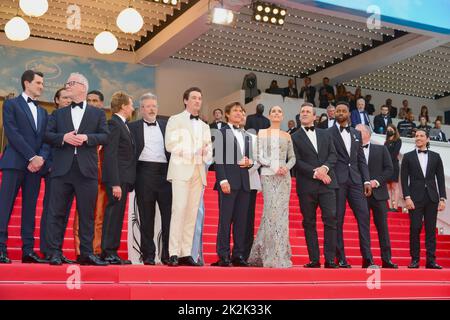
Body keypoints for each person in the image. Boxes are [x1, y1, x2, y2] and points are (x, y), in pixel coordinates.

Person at [44, 72, 109, 266]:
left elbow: (105, 136)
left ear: (83, 87)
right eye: (67, 84)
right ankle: (55, 252)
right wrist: (63, 138)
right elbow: (47, 135)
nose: (67, 86)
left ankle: (86, 254)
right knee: (56, 213)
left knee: (87, 214)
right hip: (62, 170)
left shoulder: (98, 114)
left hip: (86, 171)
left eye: (71, 83)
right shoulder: (58, 113)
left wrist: (88, 138)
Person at [0, 70, 49, 264]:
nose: (41, 87)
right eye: (38, 83)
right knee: (5, 206)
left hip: (35, 168)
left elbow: (46, 138)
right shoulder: (11, 104)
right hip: (14, 163)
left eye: (42, 83)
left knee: (30, 209)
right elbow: (12, 132)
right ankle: (0, 248)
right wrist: (32, 156)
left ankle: (28, 250)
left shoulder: (44, 111)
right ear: (26, 83)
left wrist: (41, 158)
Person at [165, 87, 212, 266]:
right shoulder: (175, 120)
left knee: (192, 213)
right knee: (179, 210)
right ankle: (173, 252)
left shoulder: (205, 126)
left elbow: (209, 151)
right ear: (185, 100)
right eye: (194, 98)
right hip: (180, 170)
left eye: (200, 98)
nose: (197, 101)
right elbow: (170, 145)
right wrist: (194, 152)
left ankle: (186, 252)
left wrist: (205, 155)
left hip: (199, 172)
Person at [328, 101, 375, 268]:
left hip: (356, 182)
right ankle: (340, 258)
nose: (341, 113)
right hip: (337, 182)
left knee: (364, 217)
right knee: (338, 220)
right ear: (335, 114)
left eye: (344, 111)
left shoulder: (356, 133)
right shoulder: (328, 133)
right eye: (338, 110)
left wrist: (367, 180)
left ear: (349, 114)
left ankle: (367, 258)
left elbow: (361, 160)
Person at [248, 105, 296, 268]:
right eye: (273, 111)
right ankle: (266, 253)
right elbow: (258, 155)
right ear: (269, 115)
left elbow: (293, 158)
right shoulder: (261, 133)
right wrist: (274, 167)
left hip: (284, 177)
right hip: (268, 175)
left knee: (282, 216)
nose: (276, 113)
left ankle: (281, 254)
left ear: (282, 116)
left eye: (279, 111)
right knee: (270, 213)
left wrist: (286, 168)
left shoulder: (287, 135)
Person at [291, 103, 338, 268]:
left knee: (331, 219)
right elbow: (296, 160)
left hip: (328, 183)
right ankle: (314, 259)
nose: (304, 113)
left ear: (314, 116)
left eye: (307, 111)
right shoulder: (294, 137)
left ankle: (330, 259)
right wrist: (316, 173)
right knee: (309, 222)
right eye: (302, 111)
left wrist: (324, 169)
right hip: (307, 185)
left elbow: (333, 154)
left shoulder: (326, 134)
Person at [128, 93, 172, 265]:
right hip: (143, 173)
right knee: (146, 218)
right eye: (148, 106)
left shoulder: (167, 125)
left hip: (166, 175)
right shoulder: (132, 127)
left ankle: (168, 255)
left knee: (168, 217)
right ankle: (149, 255)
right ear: (141, 109)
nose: (152, 109)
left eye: (154, 106)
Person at [212, 102, 254, 267]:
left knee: (241, 222)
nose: (239, 113)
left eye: (241, 111)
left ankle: (239, 255)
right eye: (235, 110)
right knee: (225, 221)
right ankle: (223, 256)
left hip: (244, 184)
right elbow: (218, 158)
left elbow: (249, 160)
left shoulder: (247, 135)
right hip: (228, 182)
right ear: (227, 114)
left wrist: (250, 162)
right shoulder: (220, 132)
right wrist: (222, 180)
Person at [401, 129, 446, 269]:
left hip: (432, 197)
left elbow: (440, 178)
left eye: (421, 136)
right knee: (415, 228)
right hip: (414, 198)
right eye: (416, 136)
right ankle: (415, 260)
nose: (418, 138)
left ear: (427, 139)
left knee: (431, 230)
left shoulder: (436, 156)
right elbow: (403, 179)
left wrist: (442, 198)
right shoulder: (408, 157)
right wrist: (407, 197)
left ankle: (431, 261)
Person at [39, 88, 75, 263]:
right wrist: (49, 164)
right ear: (57, 100)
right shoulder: (53, 117)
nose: (68, 100)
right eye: (65, 97)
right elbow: (46, 141)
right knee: (51, 212)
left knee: (64, 213)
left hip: (70, 173)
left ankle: (57, 250)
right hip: (54, 171)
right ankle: (47, 250)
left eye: (70, 98)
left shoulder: (73, 119)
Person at [100, 92, 136, 265]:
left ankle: (111, 251)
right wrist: (115, 183)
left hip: (123, 178)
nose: (133, 108)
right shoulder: (114, 123)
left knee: (117, 215)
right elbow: (110, 155)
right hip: (117, 179)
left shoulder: (123, 124)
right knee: (113, 214)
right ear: (123, 106)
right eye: (131, 104)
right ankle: (108, 252)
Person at [355, 124, 398, 268]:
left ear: (367, 133)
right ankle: (367, 259)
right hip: (360, 195)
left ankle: (387, 259)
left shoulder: (381, 149)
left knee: (383, 228)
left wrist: (376, 181)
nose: (355, 133)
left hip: (379, 194)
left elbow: (389, 169)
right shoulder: (351, 150)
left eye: (358, 131)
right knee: (363, 228)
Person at [73, 89, 107, 258]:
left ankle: (96, 250)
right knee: (81, 214)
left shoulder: (106, 125)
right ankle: (80, 252)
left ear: (101, 104)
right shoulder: (80, 122)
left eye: (95, 101)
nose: (92, 103)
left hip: (102, 178)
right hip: (83, 175)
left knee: (99, 216)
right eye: (89, 100)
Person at [240, 109, 261, 261]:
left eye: (243, 113)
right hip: (232, 183)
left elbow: (260, 159)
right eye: (237, 112)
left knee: (247, 220)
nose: (241, 116)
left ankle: (245, 254)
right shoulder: (225, 135)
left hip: (250, 181)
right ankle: (229, 253)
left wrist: (248, 166)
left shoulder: (254, 138)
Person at [384, 124, 402, 211]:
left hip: (394, 164)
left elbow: (395, 153)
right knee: (387, 186)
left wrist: (387, 160)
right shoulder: (386, 142)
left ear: (395, 130)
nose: (389, 131)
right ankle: (390, 206)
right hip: (386, 166)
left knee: (394, 185)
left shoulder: (398, 140)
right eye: (388, 130)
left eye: (391, 129)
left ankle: (395, 207)